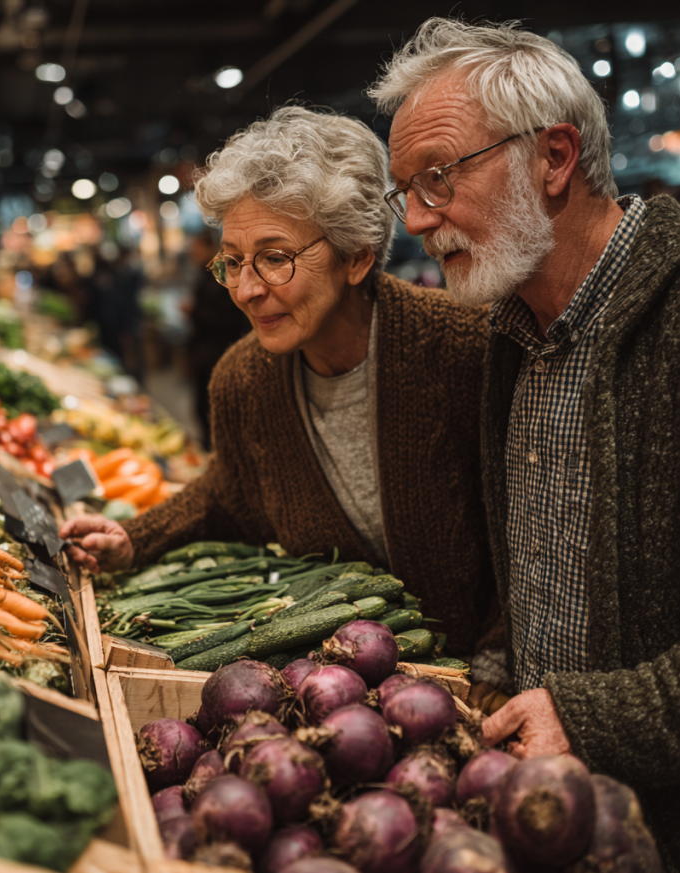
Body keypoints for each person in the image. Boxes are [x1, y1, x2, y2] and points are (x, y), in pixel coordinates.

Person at [371, 17, 680, 867]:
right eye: (404, 191)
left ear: (553, 157)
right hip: (554, 819)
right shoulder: (508, 334)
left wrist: (588, 716)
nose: (416, 221)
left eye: (436, 178)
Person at [61, 105, 496, 656]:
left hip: (489, 685)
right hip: (347, 691)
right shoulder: (242, 381)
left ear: (357, 257)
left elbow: (533, 530)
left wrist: (497, 661)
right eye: (232, 262)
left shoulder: (463, 347)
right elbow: (230, 491)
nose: (245, 290)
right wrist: (135, 538)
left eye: (273, 258)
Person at [184, 229, 250, 449]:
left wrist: (194, 312)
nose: (248, 292)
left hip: (217, 352)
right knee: (203, 409)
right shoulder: (206, 275)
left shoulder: (220, 279)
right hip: (207, 353)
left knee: (215, 411)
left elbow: (226, 318)